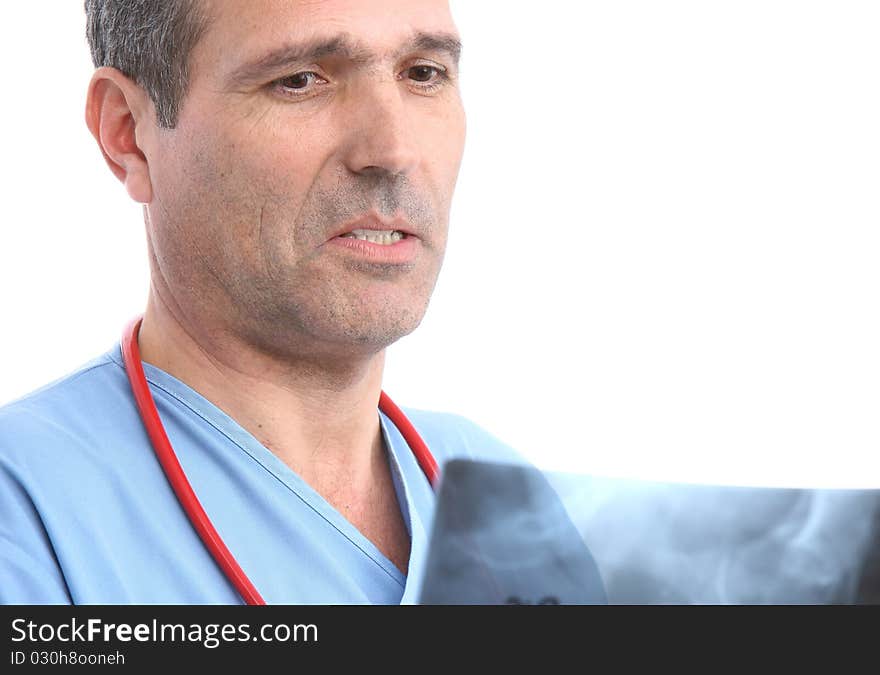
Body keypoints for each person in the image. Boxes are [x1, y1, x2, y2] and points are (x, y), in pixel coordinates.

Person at [0, 0, 523, 604]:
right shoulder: (28, 512)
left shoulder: (500, 492)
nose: (393, 149)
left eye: (423, 73)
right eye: (300, 81)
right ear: (129, 136)